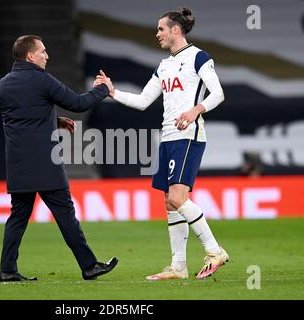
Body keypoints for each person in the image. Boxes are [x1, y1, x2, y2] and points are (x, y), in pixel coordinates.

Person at [95, 7, 228, 280]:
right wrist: (113, 92)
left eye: (161, 29)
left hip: (188, 136)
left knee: (178, 198)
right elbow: (144, 101)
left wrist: (195, 111)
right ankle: (178, 267)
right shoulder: (165, 65)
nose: (157, 34)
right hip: (168, 137)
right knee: (169, 201)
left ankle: (215, 250)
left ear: (175, 30)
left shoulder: (198, 57)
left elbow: (218, 93)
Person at [0, 35, 118, 282]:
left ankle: (7, 270)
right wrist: (103, 89)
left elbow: (21, 118)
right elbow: (79, 103)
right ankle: (89, 265)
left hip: (17, 163)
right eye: (42, 51)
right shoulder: (42, 80)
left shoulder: (2, 85)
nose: (47, 56)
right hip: (45, 163)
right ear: (30, 56)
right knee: (65, 214)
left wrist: (53, 121)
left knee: (18, 215)